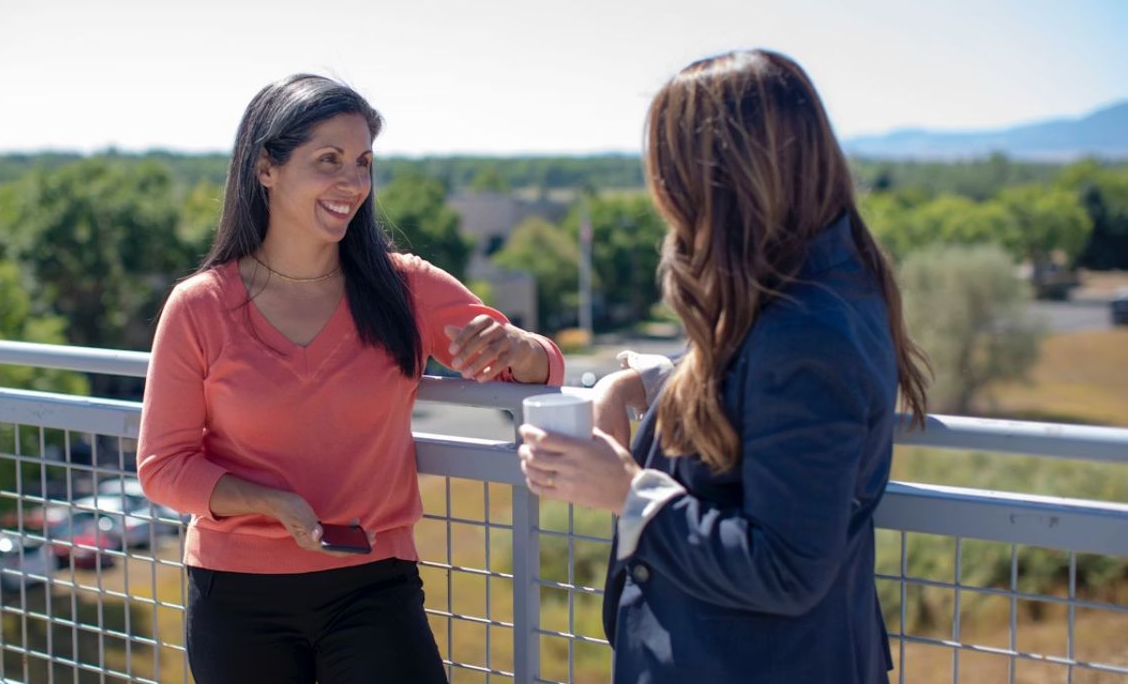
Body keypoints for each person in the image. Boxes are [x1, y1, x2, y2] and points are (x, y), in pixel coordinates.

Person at [137, 74, 565, 684]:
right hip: (236, 596)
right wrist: (271, 503)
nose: (352, 183)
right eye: (328, 161)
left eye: (363, 163)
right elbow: (163, 465)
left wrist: (518, 346)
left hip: (374, 587)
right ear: (266, 168)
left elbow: (542, 367)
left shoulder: (405, 286)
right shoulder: (200, 306)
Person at [517, 50, 929, 683]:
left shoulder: (809, 332)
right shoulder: (820, 283)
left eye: (669, 172)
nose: (662, 198)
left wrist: (628, 495)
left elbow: (786, 568)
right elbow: (755, 383)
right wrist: (648, 385)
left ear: (720, 179)